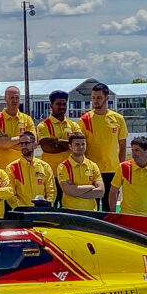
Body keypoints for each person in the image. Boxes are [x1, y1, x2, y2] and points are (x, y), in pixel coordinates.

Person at [79, 83, 128, 211]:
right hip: (92, 170)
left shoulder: (118, 119)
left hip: (112, 170)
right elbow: (79, 146)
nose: (95, 101)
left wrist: (122, 168)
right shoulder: (85, 119)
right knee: (92, 205)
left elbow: (122, 145)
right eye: (93, 97)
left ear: (107, 98)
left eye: (99, 97)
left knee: (110, 206)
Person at [108, 136, 147, 216]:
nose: (133, 154)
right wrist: (113, 213)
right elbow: (113, 191)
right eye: (132, 150)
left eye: (137, 150)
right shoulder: (124, 167)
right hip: (128, 215)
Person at [37, 90, 79, 203]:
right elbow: (46, 148)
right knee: (52, 207)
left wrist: (56, 140)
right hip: (51, 174)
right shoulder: (43, 125)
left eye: (64, 104)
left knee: (69, 208)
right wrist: (69, 144)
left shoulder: (73, 125)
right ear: (51, 105)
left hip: (70, 174)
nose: (62, 107)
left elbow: (78, 146)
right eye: (58, 104)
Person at [0, 86, 36, 169]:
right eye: (11, 97)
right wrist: (24, 140)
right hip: (3, 169)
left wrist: (6, 142)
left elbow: (34, 143)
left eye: (17, 98)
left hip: (24, 168)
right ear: (5, 98)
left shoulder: (27, 119)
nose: (14, 100)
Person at [6, 131, 56, 208]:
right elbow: (10, 193)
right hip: (22, 213)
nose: (24, 146)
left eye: (26, 143)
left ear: (34, 144)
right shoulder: (12, 168)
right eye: (21, 143)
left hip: (42, 211)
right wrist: (19, 208)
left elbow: (51, 190)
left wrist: (47, 206)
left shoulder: (45, 166)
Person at [57, 132, 104, 212]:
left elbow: (100, 192)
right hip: (71, 212)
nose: (81, 147)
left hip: (91, 212)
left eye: (83, 144)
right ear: (70, 146)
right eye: (77, 144)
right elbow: (68, 191)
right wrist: (90, 187)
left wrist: (76, 192)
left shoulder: (93, 165)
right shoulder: (63, 167)